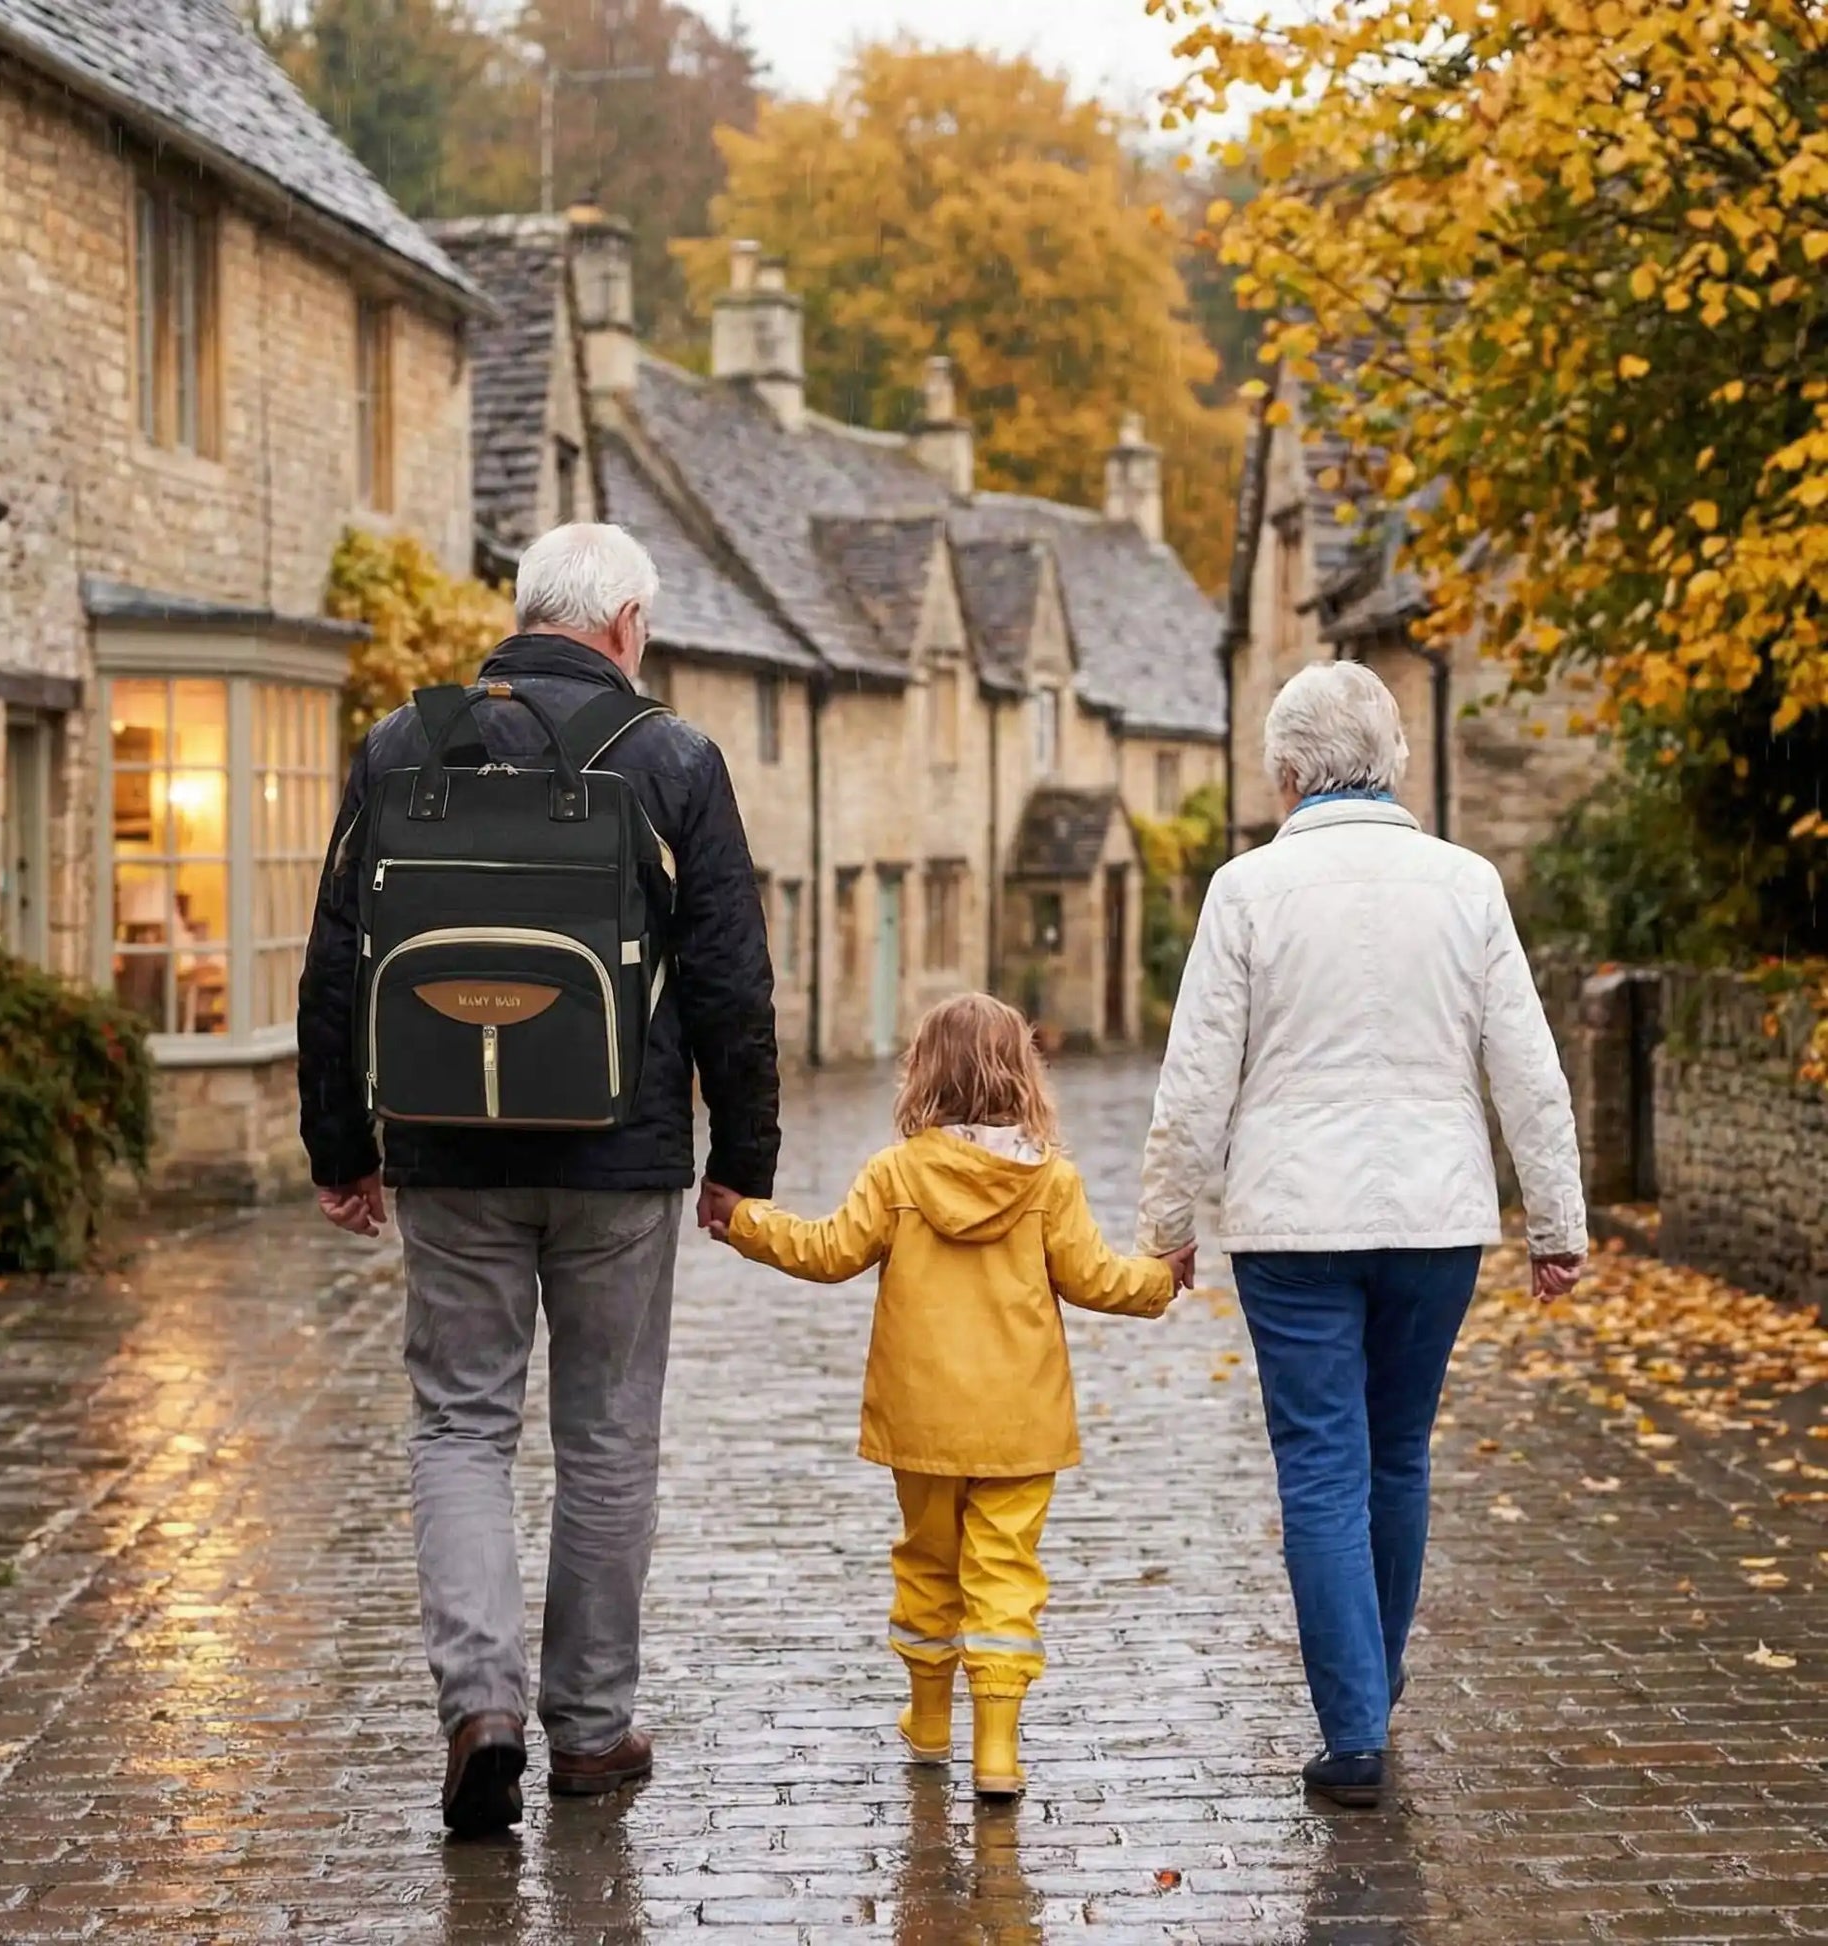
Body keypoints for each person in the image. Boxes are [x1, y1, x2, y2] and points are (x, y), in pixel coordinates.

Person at [297, 522, 780, 1832]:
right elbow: (733, 973)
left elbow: (339, 956)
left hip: (447, 1144)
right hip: (618, 1152)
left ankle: (479, 1705)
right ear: (625, 621)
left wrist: (340, 1145)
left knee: (459, 1419)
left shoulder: (408, 745)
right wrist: (742, 1159)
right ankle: (587, 1726)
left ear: (519, 615)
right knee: (607, 1430)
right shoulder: (672, 757)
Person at [1137, 660, 1587, 1809]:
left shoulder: (1245, 889)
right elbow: (1524, 1066)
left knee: (1322, 1466)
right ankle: (1367, 1699)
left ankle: (1352, 1734)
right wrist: (1554, 1222)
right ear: (1391, 761)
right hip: (1435, 1219)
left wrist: (1167, 1220)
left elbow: (1196, 1074)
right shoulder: (1466, 882)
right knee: (1396, 1453)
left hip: (1292, 1224)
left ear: (1286, 772)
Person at [703, 993, 1185, 1801]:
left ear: (922, 1074)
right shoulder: (1049, 1184)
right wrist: (1162, 1278)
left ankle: (929, 1722)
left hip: (920, 1420)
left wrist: (746, 1220)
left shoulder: (896, 1174)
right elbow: (1097, 1278)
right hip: (1019, 1423)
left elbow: (826, 1251)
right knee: (1004, 1572)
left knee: (928, 1563)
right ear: (1023, 1076)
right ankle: (997, 1750)